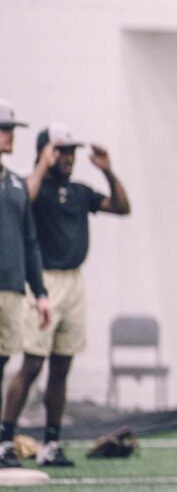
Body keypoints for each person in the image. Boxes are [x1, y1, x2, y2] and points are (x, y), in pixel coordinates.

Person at [0, 123, 130, 468]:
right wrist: (42, 163)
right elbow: (21, 199)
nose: (69, 157)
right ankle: (4, 439)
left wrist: (108, 171)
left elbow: (121, 206)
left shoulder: (78, 193)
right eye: (62, 151)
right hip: (45, 282)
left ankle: (52, 443)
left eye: (72, 151)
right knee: (32, 364)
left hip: (74, 283)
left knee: (62, 365)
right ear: (47, 152)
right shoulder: (32, 187)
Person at [0, 99, 52, 469]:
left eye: (11, 129)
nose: (10, 136)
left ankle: (3, 441)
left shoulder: (17, 185)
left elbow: (30, 242)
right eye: (4, 129)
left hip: (13, 291)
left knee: (2, 362)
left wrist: (42, 294)